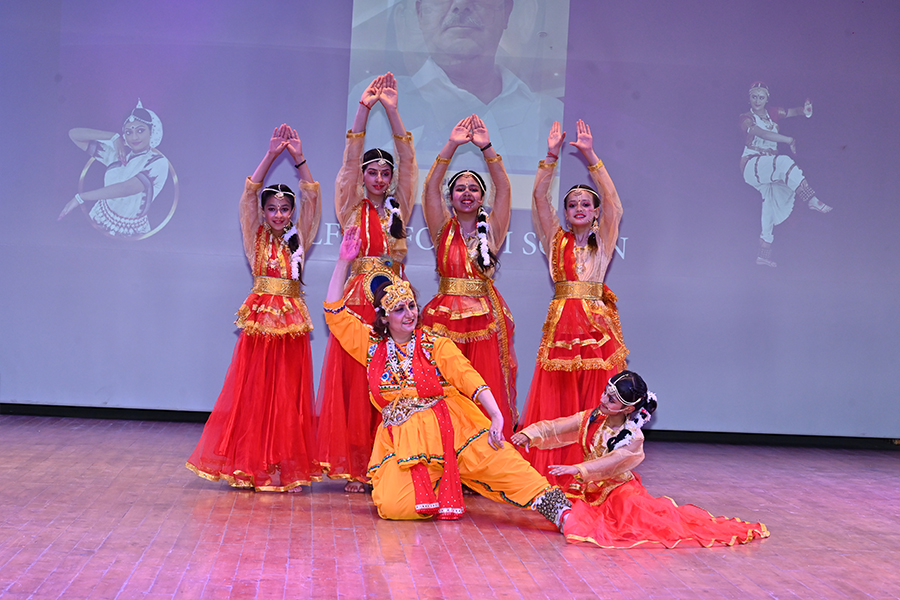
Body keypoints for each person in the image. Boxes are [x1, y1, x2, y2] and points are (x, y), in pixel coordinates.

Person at [322, 226, 572, 527]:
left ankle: (561, 511)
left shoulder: (433, 343)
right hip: (404, 440)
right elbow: (335, 314)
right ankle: (442, 483)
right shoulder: (371, 345)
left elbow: (468, 377)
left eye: (412, 306)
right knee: (394, 507)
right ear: (384, 317)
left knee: (504, 466)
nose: (409, 314)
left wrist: (495, 415)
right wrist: (342, 262)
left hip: (452, 429)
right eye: (399, 310)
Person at [185, 124, 320, 492]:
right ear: (263, 212)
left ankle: (282, 465)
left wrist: (298, 158)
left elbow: (312, 195)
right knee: (255, 393)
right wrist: (272, 155)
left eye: (285, 209)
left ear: (292, 213)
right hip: (260, 322)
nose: (278, 215)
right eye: (272, 209)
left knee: (286, 396)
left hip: (290, 323)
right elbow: (248, 194)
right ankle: (249, 464)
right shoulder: (254, 235)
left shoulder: (299, 237)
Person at [513, 371, 770, 548]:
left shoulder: (632, 437)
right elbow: (559, 426)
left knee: (633, 526)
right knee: (568, 508)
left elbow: (612, 463)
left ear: (627, 409)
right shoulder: (594, 418)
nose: (603, 399)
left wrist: (578, 468)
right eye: (605, 393)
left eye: (611, 399)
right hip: (590, 487)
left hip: (619, 491)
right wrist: (529, 434)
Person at [317, 73, 417, 493]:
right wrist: (362, 109)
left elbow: (408, 160)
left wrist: (391, 111)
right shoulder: (349, 205)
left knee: (390, 380)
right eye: (372, 172)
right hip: (359, 299)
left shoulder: (399, 208)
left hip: (393, 300)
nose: (378, 178)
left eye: (384, 173)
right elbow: (347, 162)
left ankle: (389, 461)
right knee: (358, 382)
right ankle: (359, 466)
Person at [519, 119, 629, 487]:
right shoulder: (555, 239)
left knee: (598, 399)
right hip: (563, 329)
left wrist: (591, 157)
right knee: (560, 399)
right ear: (565, 213)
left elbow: (614, 204)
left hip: (597, 331)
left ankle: (592, 470)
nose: (579, 208)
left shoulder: (604, 240)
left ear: (595, 212)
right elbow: (539, 199)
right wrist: (551, 156)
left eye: (586, 204)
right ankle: (555, 470)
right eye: (572, 205)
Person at [348, 0, 563, 173]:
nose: (461, 4)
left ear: (506, 11)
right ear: (420, 12)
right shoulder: (373, 100)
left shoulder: (549, 114)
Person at [420, 115, 518, 440]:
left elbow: (505, 188)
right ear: (450, 198)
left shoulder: (492, 229)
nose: (466, 193)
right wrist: (451, 145)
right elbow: (430, 187)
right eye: (460, 188)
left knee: (481, 385)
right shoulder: (441, 228)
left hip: (483, 319)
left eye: (473, 189)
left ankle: (482, 450)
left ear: (481, 198)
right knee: (444, 385)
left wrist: (487, 148)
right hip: (443, 318)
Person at [740, 81, 831, 267]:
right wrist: (788, 140)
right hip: (752, 164)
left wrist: (805, 111)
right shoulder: (746, 118)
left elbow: (793, 112)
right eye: (754, 97)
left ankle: (763, 255)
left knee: (772, 205)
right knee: (784, 163)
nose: (757, 101)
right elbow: (762, 133)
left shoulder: (773, 113)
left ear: (767, 99)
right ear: (749, 98)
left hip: (769, 170)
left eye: (761, 97)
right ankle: (811, 199)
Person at [59, 100, 170, 238]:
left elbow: (126, 189)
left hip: (132, 233)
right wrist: (112, 137)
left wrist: (81, 197)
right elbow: (74, 135)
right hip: (98, 219)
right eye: (128, 132)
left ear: (151, 132)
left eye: (140, 131)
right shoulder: (119, 155)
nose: (134, 137)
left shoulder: (158, 162)